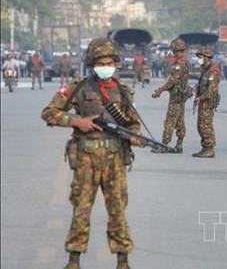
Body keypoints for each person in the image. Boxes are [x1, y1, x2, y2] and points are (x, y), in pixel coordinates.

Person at [41, 37, 143, 269]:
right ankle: (74, 259)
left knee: (117, 211)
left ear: (115, 63)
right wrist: (77, 121)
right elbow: (49, 112)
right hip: (86, 159)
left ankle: (123, 260)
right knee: (81, 210)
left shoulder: (123, 92)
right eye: (100, 63)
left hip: (115, 161)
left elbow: (134, 124)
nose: (105, 67)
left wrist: (135, 136)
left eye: (109, 62)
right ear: (92, 64)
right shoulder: (78, 87)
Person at [151, 38, 193, 153]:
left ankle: (164, 145)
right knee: (180, 120)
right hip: (181, 95)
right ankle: (179, 145)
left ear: (175, 50)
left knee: (170, 120)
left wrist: (161, 90)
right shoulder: (185, 61)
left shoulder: (179, 64)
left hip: (176, 95)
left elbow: (173, 80)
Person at [192, 47, 221, 158]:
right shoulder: (205, 70)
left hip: (207, 102)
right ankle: (205, 148)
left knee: (206, 125)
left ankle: (209, 148)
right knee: (201, 125)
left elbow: (211, 89)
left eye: (200, 57)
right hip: (203, 101)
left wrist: (201, 97)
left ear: (206, 58)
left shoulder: (213, 71)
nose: (198, 60)